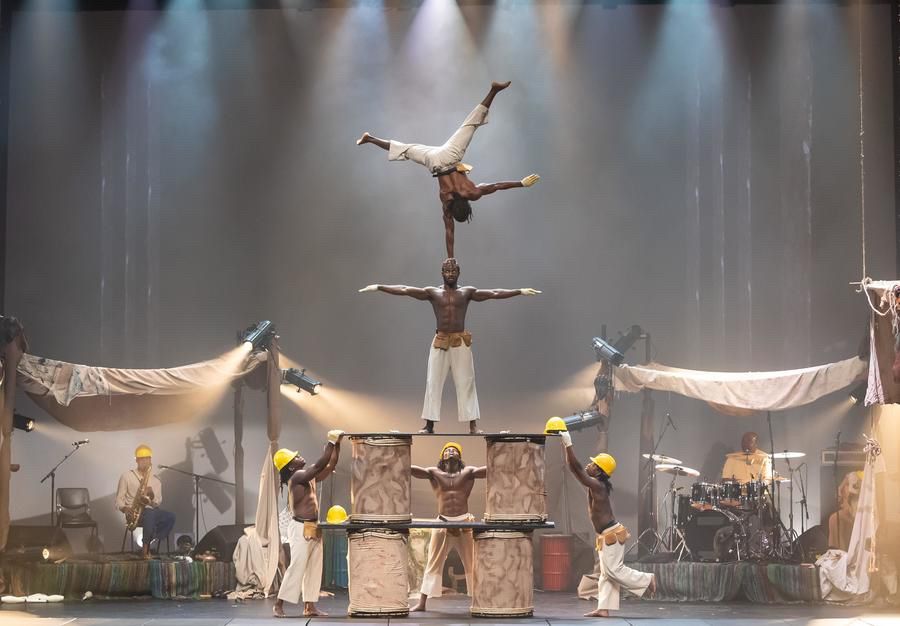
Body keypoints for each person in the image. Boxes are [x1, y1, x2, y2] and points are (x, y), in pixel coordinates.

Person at [356, 81, 540, 258]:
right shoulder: (446, 201)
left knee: (469, 125)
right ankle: (370, 138)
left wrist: (521, 183)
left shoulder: (472, 192)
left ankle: (494, 91)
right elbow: (449, 230)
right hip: (433, 163)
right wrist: (449, 257)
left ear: (468, 206)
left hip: (449, 157)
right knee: (405, 149)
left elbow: (496, 186)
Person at [359, 258, 540, 433]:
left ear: (459, 272)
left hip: (460, 341)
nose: (450, 274)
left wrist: (520, 291)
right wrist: (379, 287)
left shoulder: (467, 292)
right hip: (441, 341)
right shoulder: (433, 292)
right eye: (447, 271)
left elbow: (494, 293)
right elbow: (405, 289)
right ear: (442, 273)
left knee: (467, 382)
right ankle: (429, 426)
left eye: (453, 271)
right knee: (433, 382)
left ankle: (473, 426)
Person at [560, 432, 654, 617]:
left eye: (593, 464)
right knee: (605, 573)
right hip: (605, 535)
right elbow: (578, 469)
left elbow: (575, 468)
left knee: (613, 570)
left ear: (599, 471)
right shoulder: (595, 485)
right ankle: (604, 608)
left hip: (611, 533)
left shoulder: (598, 485)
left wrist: (567, 443)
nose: (589, 464)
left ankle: (647, 579)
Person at [272, 430, 343, 618]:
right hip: (300, 528)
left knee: (314, 567)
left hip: (314, 526)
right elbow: (320, 464)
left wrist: (337, 445)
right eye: (295, 457)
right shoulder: (296, 478)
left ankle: (309, 606)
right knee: (297, 566)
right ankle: (278, 604)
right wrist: (330, 441)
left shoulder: (307, 477)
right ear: (290, 467)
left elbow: (330, 464)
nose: (299, 456)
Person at [410, 441, 485, 612]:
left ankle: (479, 601)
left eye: (454, 450)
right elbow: (411, 469)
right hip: (443, 522)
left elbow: (491, 469)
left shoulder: (469, 472)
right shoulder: (434, 473)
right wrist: (399, 459)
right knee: (432, 563)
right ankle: (422, 603)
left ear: (459, 456)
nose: (450, 451)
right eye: (447, 450)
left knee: (472, 563)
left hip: (464, 522)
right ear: (442, 457)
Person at [115, 445, 175, 558]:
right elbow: (119, 498)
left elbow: (157, 503)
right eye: (142, 459)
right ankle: (146, 550)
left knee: (170, 517)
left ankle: (150, 539)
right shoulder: (127, 476)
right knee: (150, 514)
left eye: (147, 459)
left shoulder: (156, 480)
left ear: (150, 460)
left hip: (150, 512)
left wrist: (151, 496)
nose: (145, 461)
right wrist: (124, 508)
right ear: (137, 460)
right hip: (134, 514)